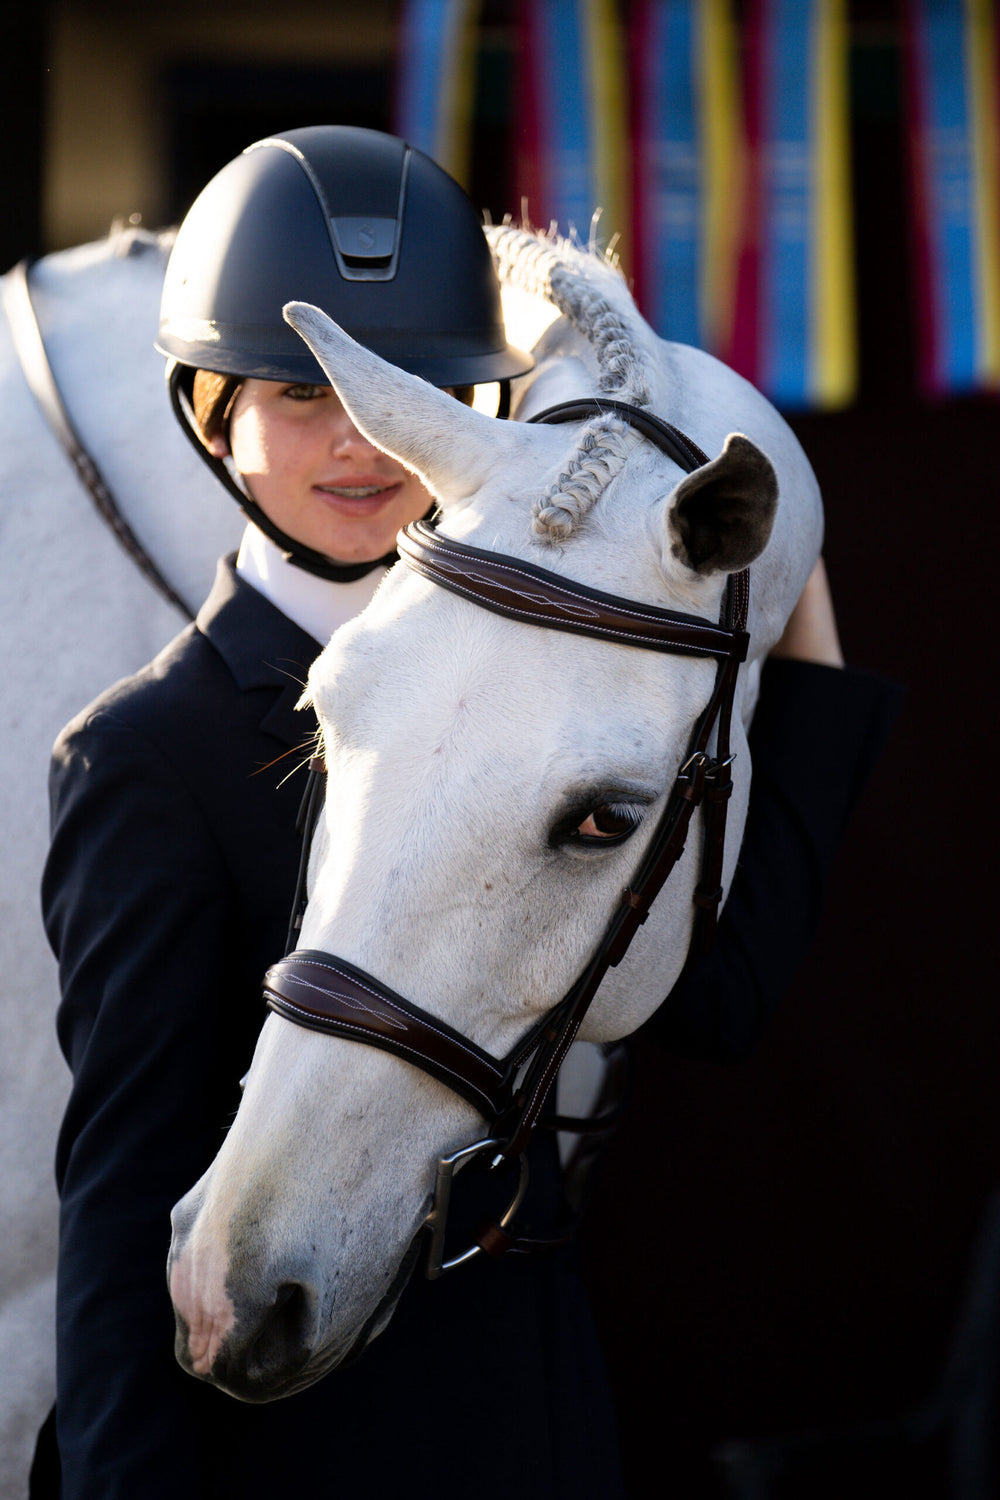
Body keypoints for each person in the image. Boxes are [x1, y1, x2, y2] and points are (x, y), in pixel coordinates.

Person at [33, 125, 897, 1499]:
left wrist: (784, 575)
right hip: (285, 1440)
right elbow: (120, 1203)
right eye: (295, 394)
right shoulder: (147, 754)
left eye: (419, 388)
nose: (362, 441)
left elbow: (716, 1003)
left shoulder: (535, 688)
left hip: (523, 1401)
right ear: (209, 413)